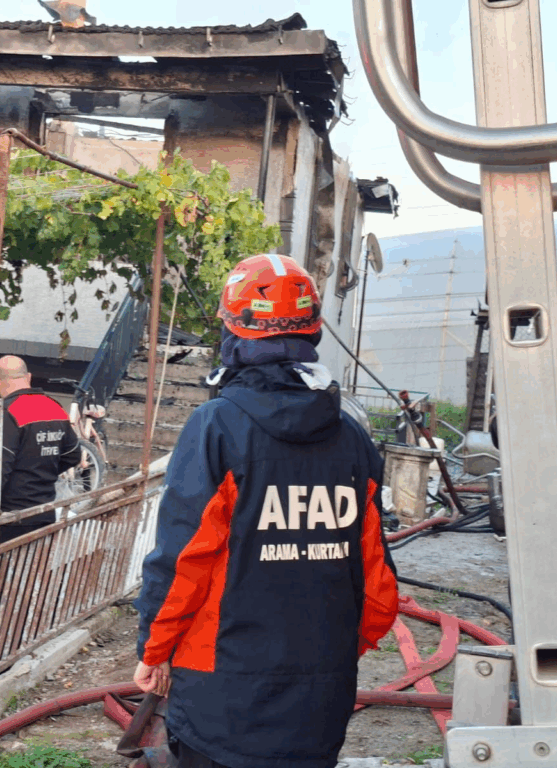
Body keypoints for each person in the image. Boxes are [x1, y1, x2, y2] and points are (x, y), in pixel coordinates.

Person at [134, 254, 399, 768]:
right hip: (321, 700)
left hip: (221, 694)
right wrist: (332, 656)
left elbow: (183, 559)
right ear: (313, 330)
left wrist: (154, 650)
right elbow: (378, 586)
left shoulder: (216, 428)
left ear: (235, 332)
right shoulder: (352, 438)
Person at [0, 355, 81, 542]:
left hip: (10, 518)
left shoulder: (4, 414)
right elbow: (73, 456)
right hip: (44, 513)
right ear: (28, 377)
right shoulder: (55, 408)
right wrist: (43, 469)